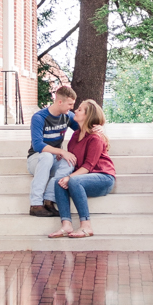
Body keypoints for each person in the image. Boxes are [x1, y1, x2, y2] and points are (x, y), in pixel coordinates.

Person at [47, 100, 115, 239]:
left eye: (79, 109)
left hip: (102, 178)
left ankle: (86, 226)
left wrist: (70, 177)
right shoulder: (75, 135)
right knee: (58, 182)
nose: (75, 111)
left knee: (73, 181)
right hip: (82, 178)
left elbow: (88, 166)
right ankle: (66, 225)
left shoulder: (95, 138)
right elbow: (74, 159)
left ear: (88, 115)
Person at [27, 85, 79, 217]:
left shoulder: (67, 116)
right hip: (36, 159)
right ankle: (36, 204)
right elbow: (38, 145)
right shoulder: (39, 117)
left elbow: (84, 127)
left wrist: (97, 128)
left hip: (54, 159)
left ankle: (49, 200)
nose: (71, 108)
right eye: (70, 104)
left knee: (70, 162)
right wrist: (61, 151)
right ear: (60, 101)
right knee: (47, 157)